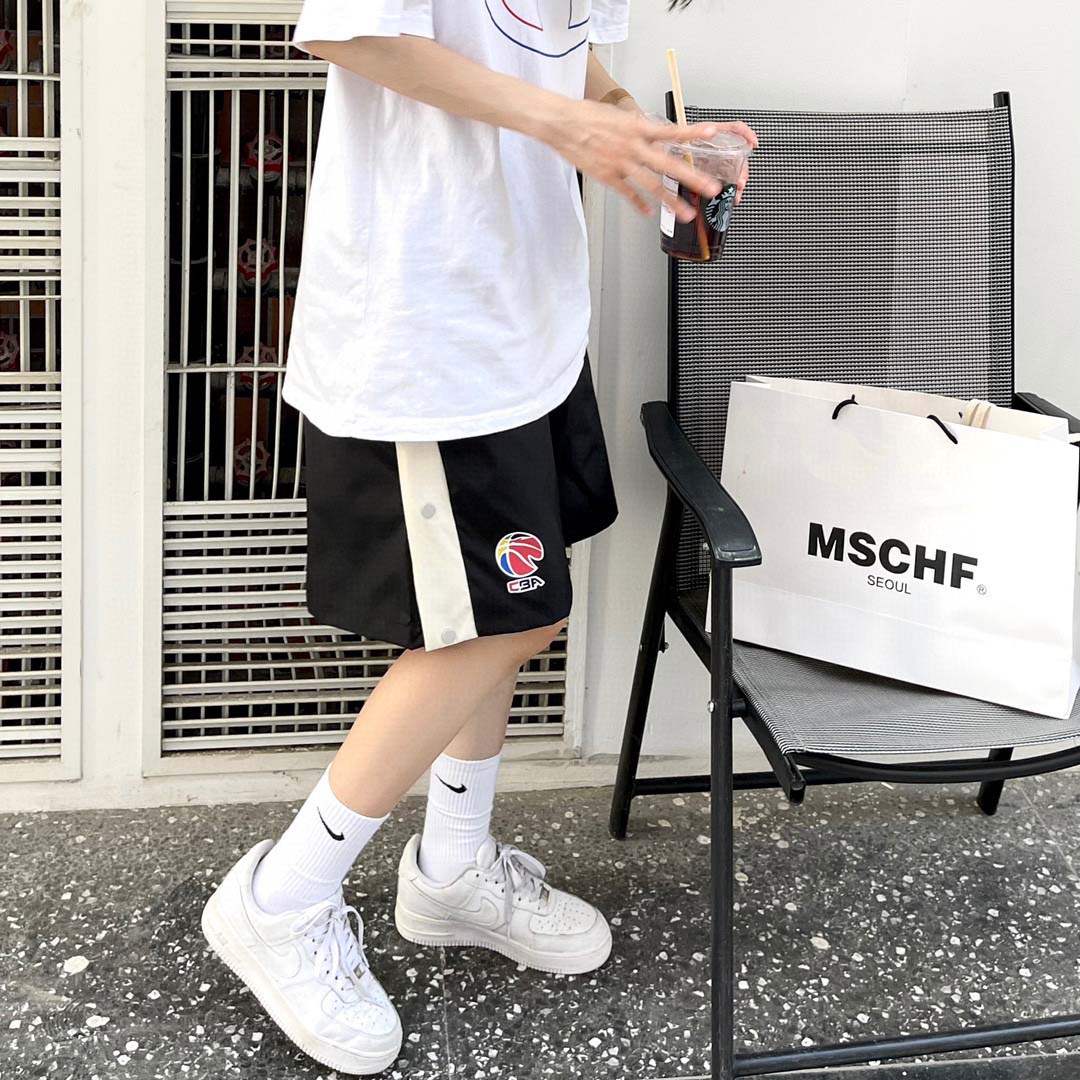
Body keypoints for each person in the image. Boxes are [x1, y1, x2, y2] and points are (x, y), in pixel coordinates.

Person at [201, 2, 758, 1074]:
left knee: (513, 613)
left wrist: (637, 132)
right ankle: (281, 899)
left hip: (526, 318)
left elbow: (567, 64)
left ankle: (453, 868)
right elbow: (349, 30)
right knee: (494, 627)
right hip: (426, 326)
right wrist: (565, 124)